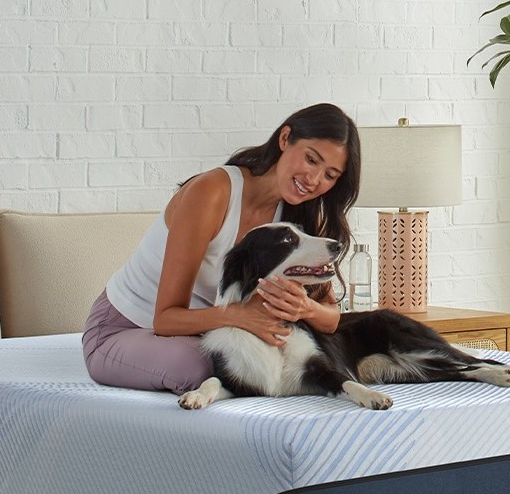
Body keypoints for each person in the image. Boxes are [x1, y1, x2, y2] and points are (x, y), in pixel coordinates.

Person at [83, 103, 360, 393]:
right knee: (203, 370)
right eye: (311, 159)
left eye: (330, 175)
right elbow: (164, 319)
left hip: (203, 333)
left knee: (268, 366)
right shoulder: (212, 193)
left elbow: (330, 317)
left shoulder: (298, 219)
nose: (314, 180)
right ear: (284, 139)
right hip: (124, 328)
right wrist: (239, 315)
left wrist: (305, 308)